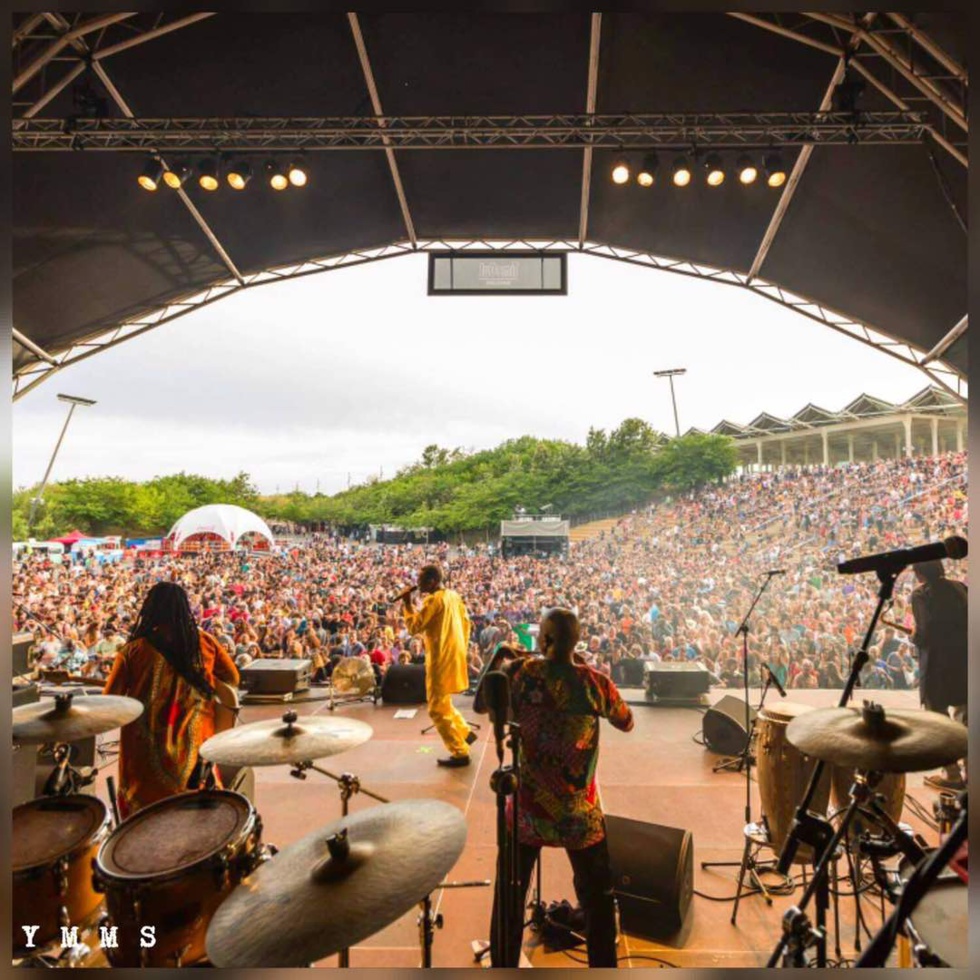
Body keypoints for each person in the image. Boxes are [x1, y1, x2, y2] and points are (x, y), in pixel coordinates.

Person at [478, 607, 634, 967]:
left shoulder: (521, 673)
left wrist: (501, 660)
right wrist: (580, 667)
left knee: (509, 898)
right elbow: (626, 722)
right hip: (579, 816)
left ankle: (503, 965)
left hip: (528, 814)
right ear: (576, 642)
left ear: (544, 639)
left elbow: (484, 701)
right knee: (598, 899)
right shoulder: (595, 682)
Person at [103, 581, 239, 818]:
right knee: (198, 818)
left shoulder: (133, 651)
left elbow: (109, 702)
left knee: (145, 824)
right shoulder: (205, 642)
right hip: (195, 751)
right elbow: (232, 678)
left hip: (144, 761)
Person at [402, 563, 476, 767]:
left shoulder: (433, 600)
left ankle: (460, 752)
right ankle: (464, 732)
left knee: (435, 708)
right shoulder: (453, 596)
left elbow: (414, 627)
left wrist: (407, 605)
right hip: (454, 654)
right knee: (444, 703)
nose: (417, 582)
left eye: (421, 579)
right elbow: (466, 624)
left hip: (439, 659)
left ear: (432, 582)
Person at [909, 560, 968, 790]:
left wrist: (914, 636)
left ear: (920, 573)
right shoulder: (960, 588)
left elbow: (925, 633)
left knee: (939, 722)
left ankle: (952, 775)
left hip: (936, 665)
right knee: (966, 718)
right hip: (964, 661)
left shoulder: (921, 595)